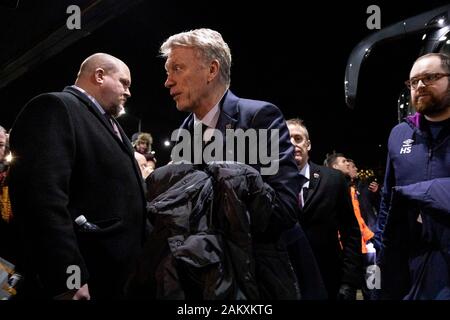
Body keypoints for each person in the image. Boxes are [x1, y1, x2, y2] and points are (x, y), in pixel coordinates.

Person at [159, 28, 302, 298]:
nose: (168, 82)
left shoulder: (258, 117)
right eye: (168, 71)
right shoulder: (183, 135)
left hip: (254, 283)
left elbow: (283, 210)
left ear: (212, 70)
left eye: (177, 68)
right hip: (197, 284)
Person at [8, 53, 147, 300]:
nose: (128, 92)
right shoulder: (55, 107)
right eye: (124, 83)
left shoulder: (108, 123)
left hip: (116, 277)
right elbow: (41, 200)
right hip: (84, 279)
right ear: (100, 76)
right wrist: (66, 277)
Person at [374, 53, 450, 299]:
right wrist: (382, 250)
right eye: (413, 81)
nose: (419, 86)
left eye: (430, 77)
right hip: (412, 263)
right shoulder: (399, 134)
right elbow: (388, 198)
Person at [286, 118, 362, 300]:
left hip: (328, 281)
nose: (293, 144)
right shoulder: (269, 182)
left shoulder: (333, 180)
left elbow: (351, 233)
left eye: (298, 138)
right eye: (286, 139)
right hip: (285, 281)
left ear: (308, 144)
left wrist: (349, 282)